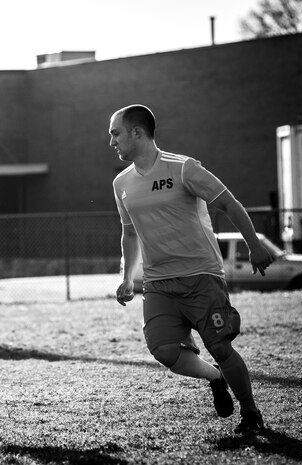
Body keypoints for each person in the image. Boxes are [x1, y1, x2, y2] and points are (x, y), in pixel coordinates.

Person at [110, 104, 273, 434]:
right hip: (158, 282)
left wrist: (255, 245)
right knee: (164, 351)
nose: (111, 141)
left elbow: (229, 203)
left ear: (136, 133)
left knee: (221, 347)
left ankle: (250, 413)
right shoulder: (121, 183)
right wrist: (127, 276)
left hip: (202, 276)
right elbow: (129, 232)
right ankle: (215, 377)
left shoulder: (183, 168)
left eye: (115, 133)